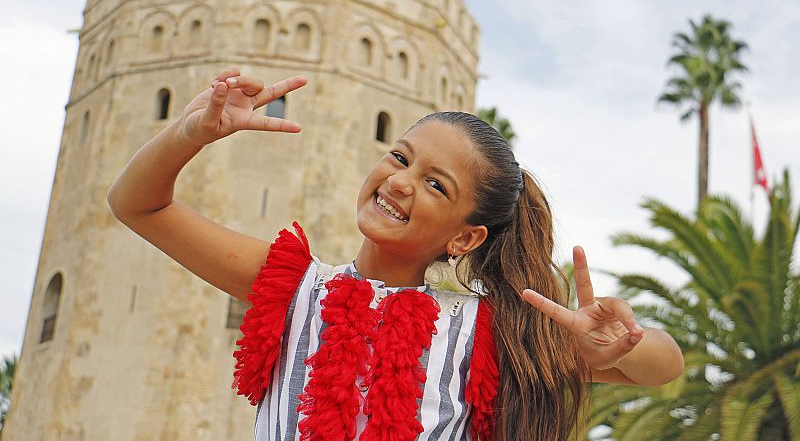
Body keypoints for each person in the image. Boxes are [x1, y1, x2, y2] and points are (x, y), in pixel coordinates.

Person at [107, 68, 684, 440]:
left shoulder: (489, 331)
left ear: (465, 238)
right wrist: (191, 133)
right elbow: (138, 205)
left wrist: (622, 343)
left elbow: (664, 368)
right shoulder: (294, 286)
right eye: (401, 158)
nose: (402, 181)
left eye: (438, 186)